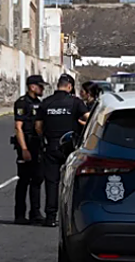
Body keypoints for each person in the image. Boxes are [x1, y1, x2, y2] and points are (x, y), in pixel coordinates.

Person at [36, 74, 86, 227]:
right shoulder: (75, 102)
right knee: (72, 182)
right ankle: (73, 217)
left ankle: (51, 217)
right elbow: (90, 119)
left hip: (51, 146)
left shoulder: (46, 103)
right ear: (70, 87)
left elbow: (38, 127)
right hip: (70, 147)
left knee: (52, 182)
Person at [12, 75, 46, 225]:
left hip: (37, 144)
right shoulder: (22, 103)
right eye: (40, 86)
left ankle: (35, 212)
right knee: (24, 180)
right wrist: (24, 148)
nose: (42, 89)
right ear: (32, 87)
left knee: (37, 179)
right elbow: (18, 127)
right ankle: (20, 214)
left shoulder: (40, 104)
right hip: (26, 143)